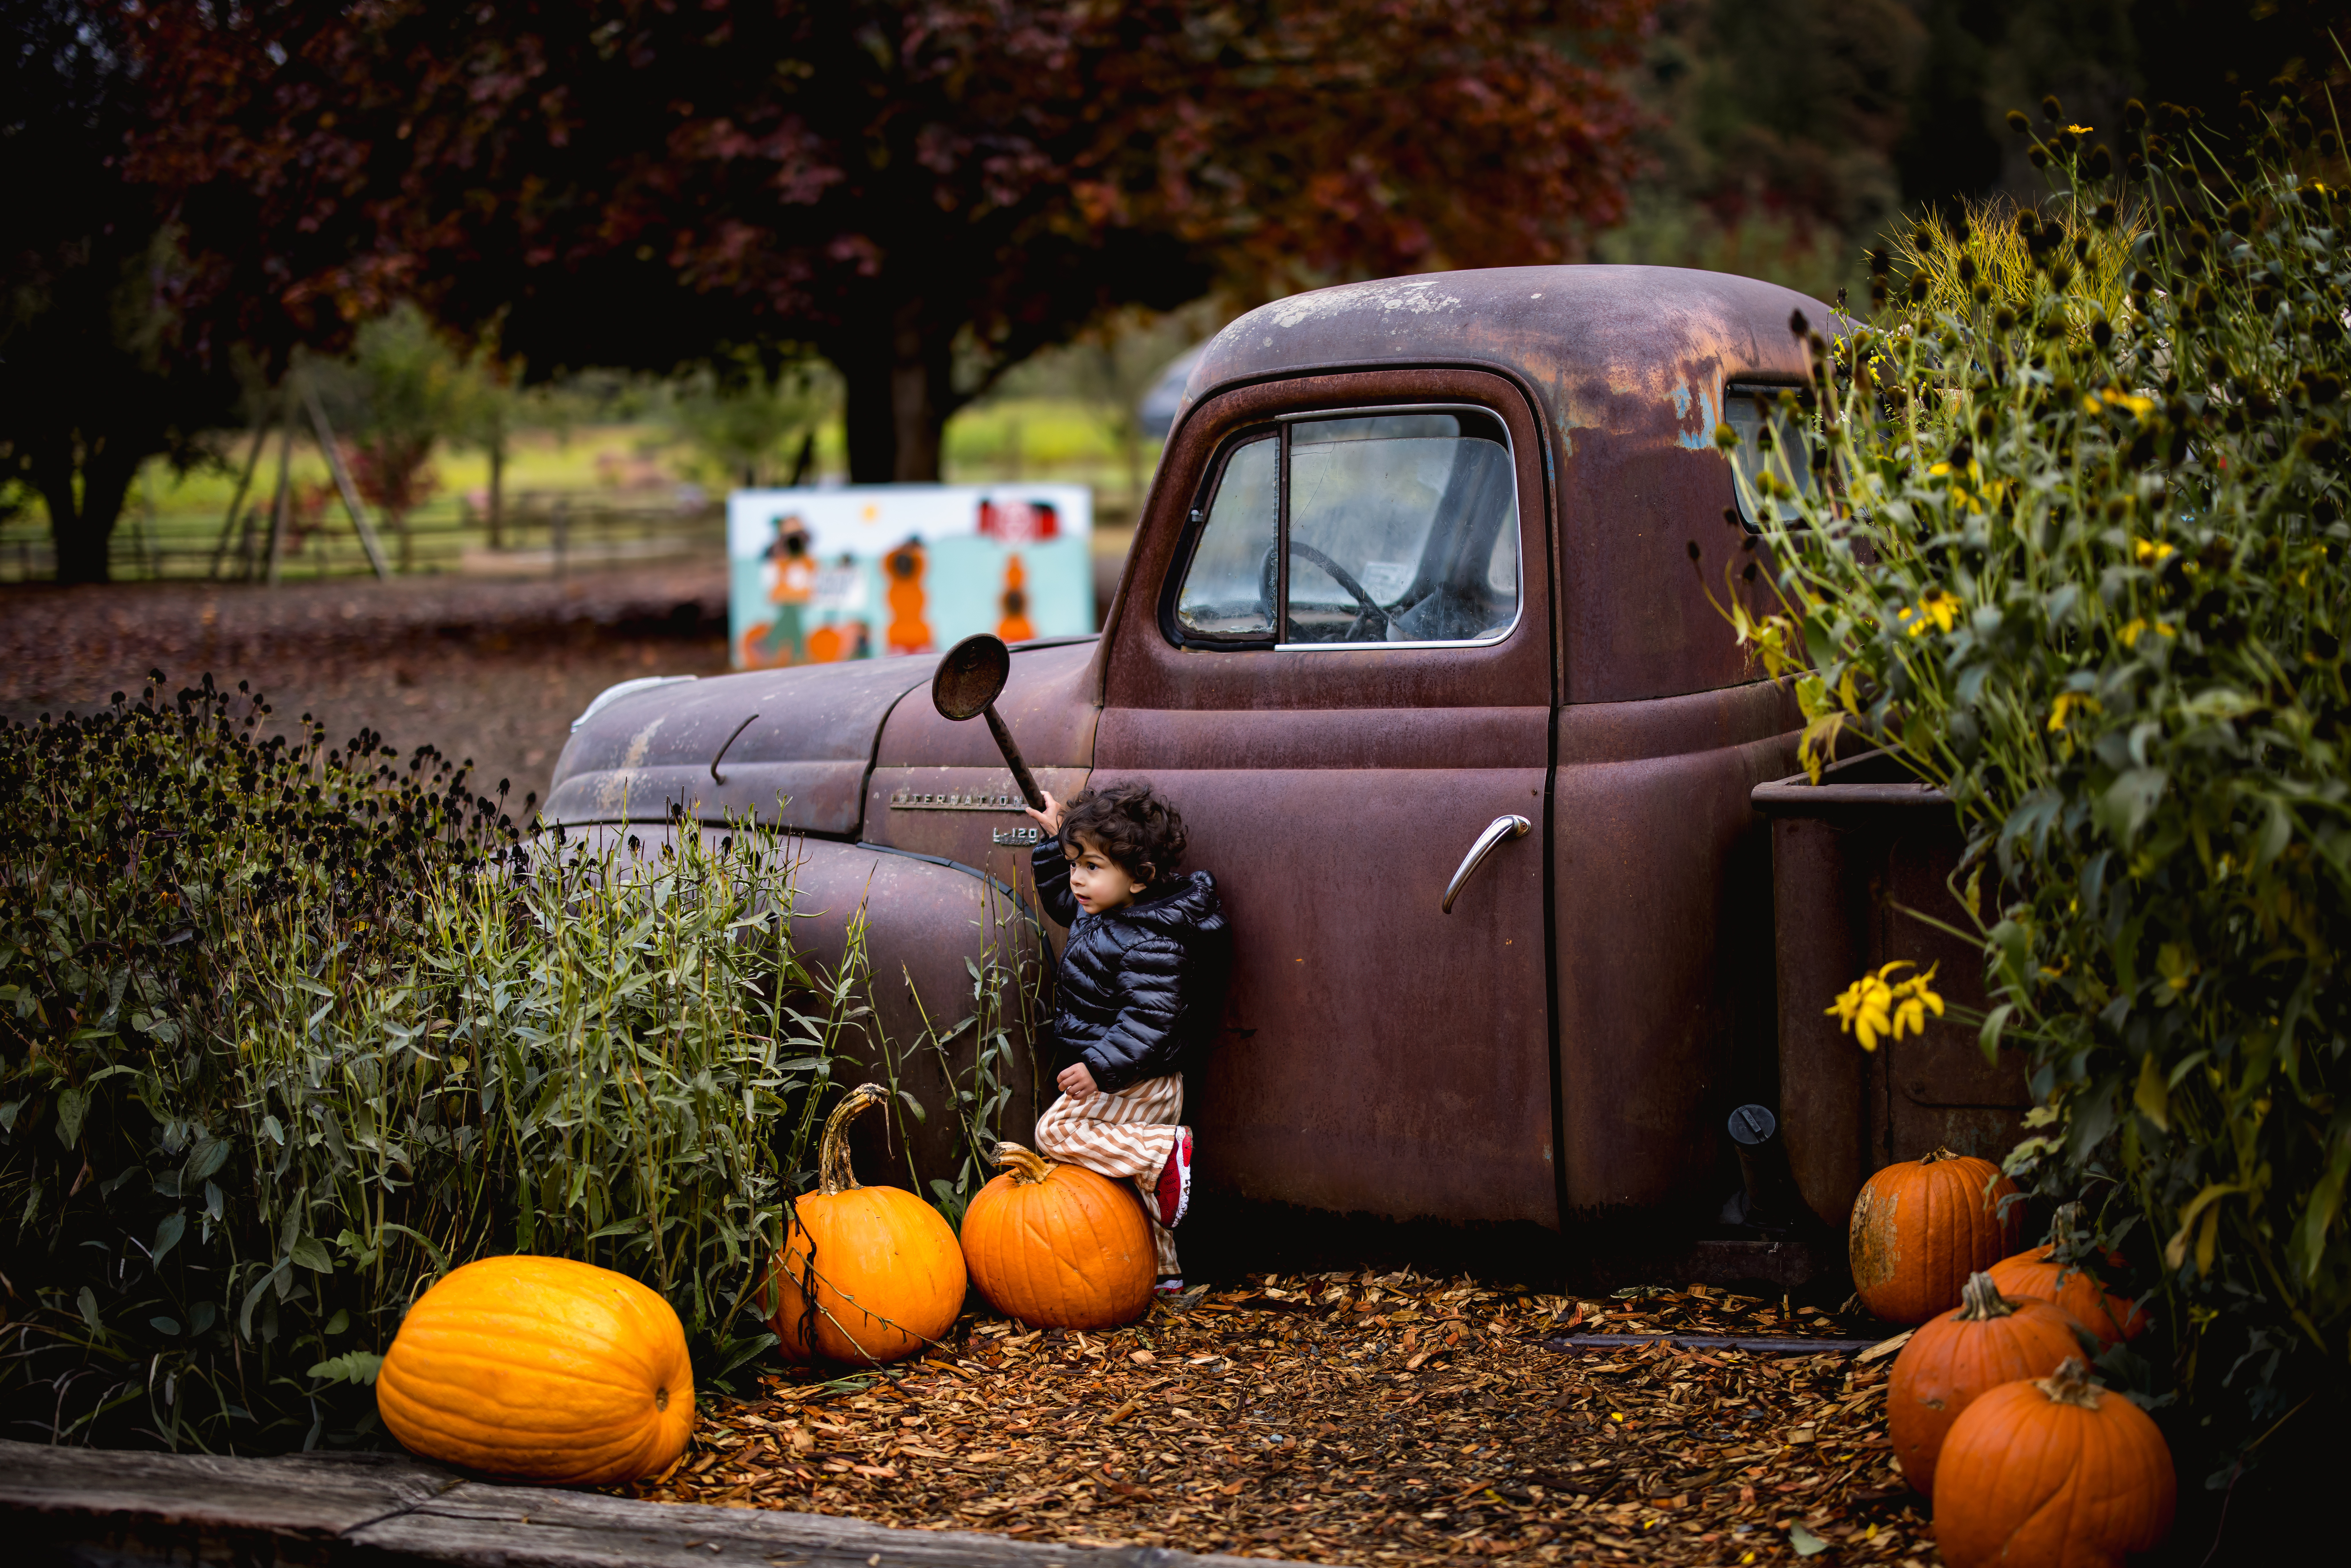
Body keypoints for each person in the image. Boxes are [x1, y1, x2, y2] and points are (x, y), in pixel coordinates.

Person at [1023, 781, 1229, 1293]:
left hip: (1136, 1078)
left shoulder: (1153, 940)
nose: (1076, 879)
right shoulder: (1104, 912)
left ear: (1141, 879)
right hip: (1134, 1075)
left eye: (1091, 867)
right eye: (1075, 864)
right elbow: (1059, 897)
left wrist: (1098, 1067)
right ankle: (1166, 1278)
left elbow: (1151, 1018)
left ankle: (1161, 1152)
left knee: (1055, 1134)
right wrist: (1057, 841)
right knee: (1143, 1189)